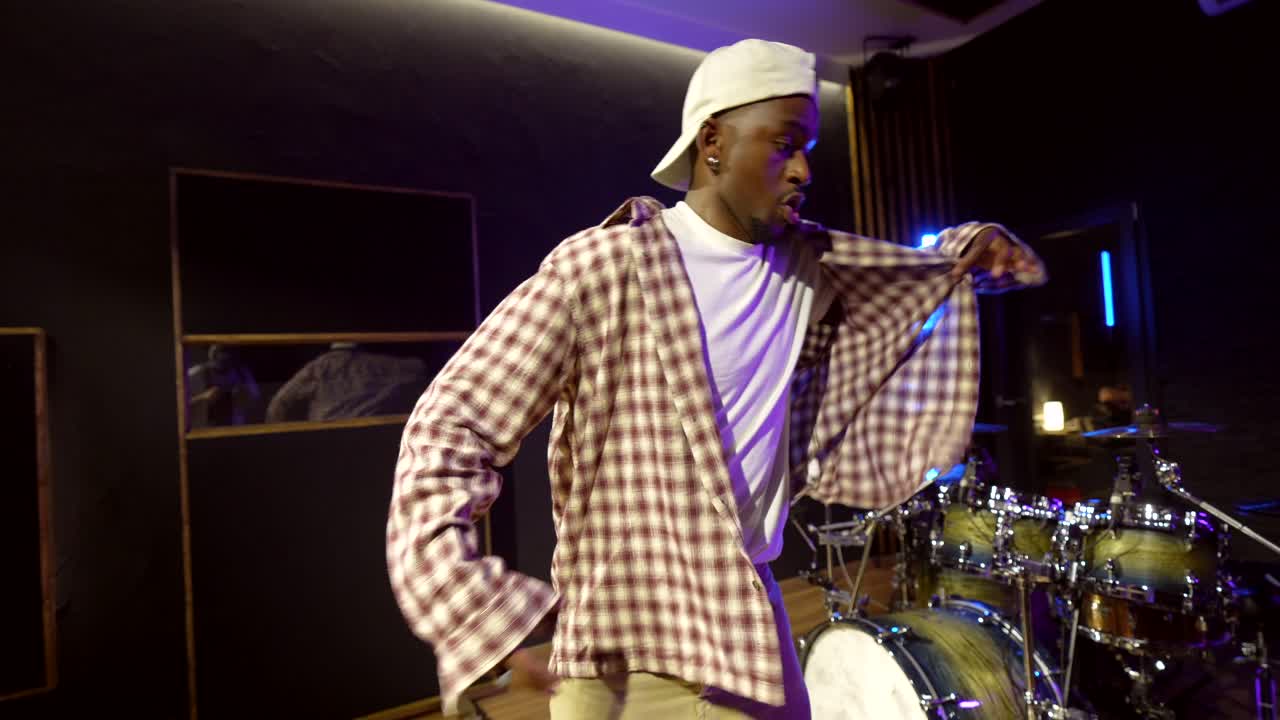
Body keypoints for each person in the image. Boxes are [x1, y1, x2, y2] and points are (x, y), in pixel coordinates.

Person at [386, 39, 1046, 719]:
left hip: (746, 625)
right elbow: (450, 427)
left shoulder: (810, 264)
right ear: (713, 142)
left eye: (808, 150)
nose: (800, 170)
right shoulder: (602, 269)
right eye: (783, 143)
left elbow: (912, 275)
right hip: (626, 654)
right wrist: (471, 610)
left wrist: (970, 250)